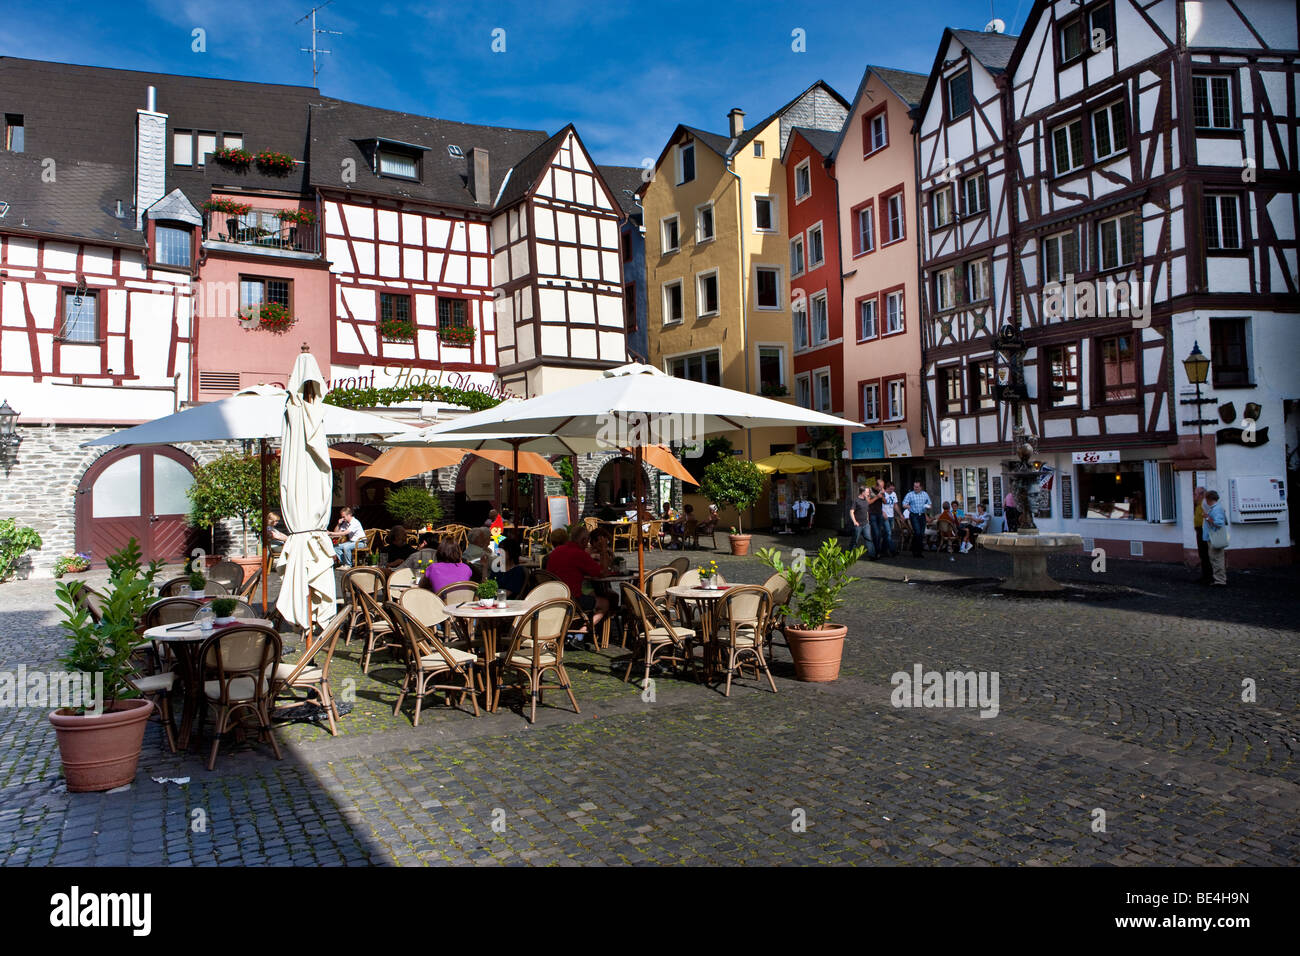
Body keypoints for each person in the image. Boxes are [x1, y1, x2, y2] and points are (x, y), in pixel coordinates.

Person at [546, 527, 612, 642]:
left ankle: (573, 632)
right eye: (587, 541)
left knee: (594, 594)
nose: (587, 544)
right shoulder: (579, 554)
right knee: (605, 603)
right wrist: (603, 550)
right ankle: (580, 634)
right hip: (572, 600)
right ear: (583, 541)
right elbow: (603, 573)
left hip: (552, 597)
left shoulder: (557, 551)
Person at [1202, 490, 1228, 587]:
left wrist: (1207, 518)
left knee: (1216, 559)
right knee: (1215, 558)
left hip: (1214, 538)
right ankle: (1219, 579)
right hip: (1212, 537)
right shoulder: (1216, 508)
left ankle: (1220, 580)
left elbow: (1218, 523)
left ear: (1209, 499)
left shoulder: (1216, 509)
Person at [903, 481, 932, 557]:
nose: (915, 488)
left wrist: (928, 506)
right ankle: (915, 551)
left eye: (917, 487)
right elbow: (904, 504)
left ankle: (919, 551)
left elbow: (930, 504)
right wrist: (907, 506)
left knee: (921, 534)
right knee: (917, 532)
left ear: (921, 487)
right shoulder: (910, 494)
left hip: (922, 515)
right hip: (914, 515)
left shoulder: (925, 494)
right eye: (914, 486)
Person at [869, 479, 895, 558]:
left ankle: (877, 551)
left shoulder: (881, 491)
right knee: (876, 533)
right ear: (876, 486)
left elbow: (885, 502)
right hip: (872, 514)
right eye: (880, 487)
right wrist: (877, 497)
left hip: (879, 514)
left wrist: (883, 495)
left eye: (882, 487)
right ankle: (875, 551)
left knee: (879, 534)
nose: (881, 489)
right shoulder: (870, 491)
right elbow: (868, 502)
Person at [1192, 486, 1212, 585]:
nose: (1194, 497)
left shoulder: (1205, 504)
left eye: (1195, 494)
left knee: (1206, 554)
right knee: (1203, 554)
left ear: (1201, 495)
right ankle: (1206, 576)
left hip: (1204, 530)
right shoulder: (1199, 504)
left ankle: (1209, 577)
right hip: (1200, 530)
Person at [850, 486, 874, 557]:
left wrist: (868, 520)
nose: (868, 493)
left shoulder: (866, 500)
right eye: (867, 492)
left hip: (866, 524)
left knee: (869, 539)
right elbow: (851, 511)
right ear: (862, 492)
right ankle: (850, 555)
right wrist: (854, 522)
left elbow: (866, 511)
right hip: (858, 525)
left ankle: (872, 555)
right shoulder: (856, 501)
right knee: (855, 541)